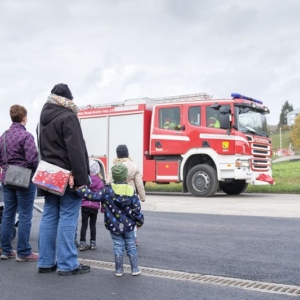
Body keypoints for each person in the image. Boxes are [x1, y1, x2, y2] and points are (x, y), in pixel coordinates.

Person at [37, 83, 90, 275]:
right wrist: (82, 179)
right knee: (68, 216)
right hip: (68, 177)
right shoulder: (68, 117)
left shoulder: (41, 120)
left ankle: (45, 262)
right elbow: (76, 150)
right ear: (68, 100)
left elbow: (42, 149)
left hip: (49, 176)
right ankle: (67, 264)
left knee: (49, 215)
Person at [77, 162, 144, 277]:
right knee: (131, 246)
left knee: (118, 246)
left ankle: (119, 270)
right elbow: (136, 209)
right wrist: (139, 221)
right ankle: (135, 269)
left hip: (113, 225)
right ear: (126, 176)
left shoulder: (107, 190)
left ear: (113, 175)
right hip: (129, 226)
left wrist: (81, 190)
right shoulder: (131, 190)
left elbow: (93, 196)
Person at [0, 105, 38, 262]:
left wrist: (7, 168)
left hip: (7, 178)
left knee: (8, 215)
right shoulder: (27, 136)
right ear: (24, 118)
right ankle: (23, 252)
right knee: (24, 215)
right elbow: (32, 159)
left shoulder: (3, 136)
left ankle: (5, 250)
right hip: (24, 180)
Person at [107, 145, 146, 245]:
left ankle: (120, 235)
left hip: (117, 195)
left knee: (120, 215)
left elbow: (108, 181)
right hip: (130, 195)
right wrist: (142, 197)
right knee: (132, 216)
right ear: (127, 153)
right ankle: (133, 237)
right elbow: (139, 183)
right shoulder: (134, 166)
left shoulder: (115, 166)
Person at [79, 159, 104, 251]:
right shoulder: (100, 182)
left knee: (84, 224)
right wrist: (102, 208)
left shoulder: (85, 180)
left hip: (84, 205)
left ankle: (82, 243)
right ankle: (93, 243)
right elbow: (102, 195)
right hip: (95, 206)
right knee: (93, 224)